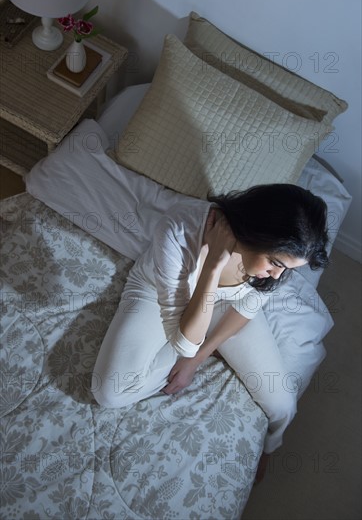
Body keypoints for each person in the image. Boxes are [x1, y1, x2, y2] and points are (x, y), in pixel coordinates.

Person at [92, 183, 329, 480]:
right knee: (110, 392)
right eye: (275, 263)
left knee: (282, 404)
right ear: (256, 232)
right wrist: (214, 266)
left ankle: (269, 447)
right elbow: (183, 343)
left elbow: (246, 308)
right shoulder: (179, 227)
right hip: (159, 294)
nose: (278, 275)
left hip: (224, 306)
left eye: (288, 269)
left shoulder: (275, 267)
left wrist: (198, 357)